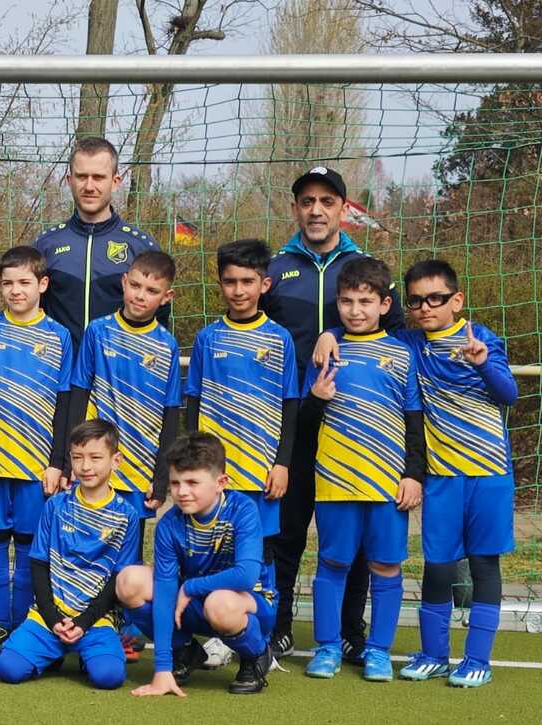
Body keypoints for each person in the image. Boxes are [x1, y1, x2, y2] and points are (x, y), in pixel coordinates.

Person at [314, 260, 517, 688]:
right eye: (418, 301)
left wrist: (482, 362)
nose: (426, 307)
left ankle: (478, 658)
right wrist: (328, 332)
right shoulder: (411, 344)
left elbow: (508, 394)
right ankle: (434, 654)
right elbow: (363, 329)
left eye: (436, 299)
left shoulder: (480, 339)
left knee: (483, 565)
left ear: (456, 300)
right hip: (441, 476)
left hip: (489, 473)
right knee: (438, 567)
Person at [262, 166, 404, 661]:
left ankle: (349, 628)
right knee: (287, 529)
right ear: (295, 207)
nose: (316, 210)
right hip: (296, 419)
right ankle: (278, 626)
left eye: (327, 201)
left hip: (359, 430)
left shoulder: (366, 265)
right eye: (307, 201)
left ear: (344, 208)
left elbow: (399, 337)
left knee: (357, 537)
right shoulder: (276, 270)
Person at [299, 257, 425, 682]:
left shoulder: (403, 354)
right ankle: (328, 647)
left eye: (365, 301)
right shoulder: (327, 352)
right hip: (334, 481)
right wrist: (316, 396)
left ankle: (378, 652)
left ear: (384, 304)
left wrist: (414, 474)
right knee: (332, 563)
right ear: (337, 303)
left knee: (386, 567)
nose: (356, 310)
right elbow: (304, 422)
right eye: (347, 301)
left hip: (388, 484)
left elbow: (414, 421)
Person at [184, 239, 298, 668]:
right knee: (215, 553)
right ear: (220, 284)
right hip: (216, 478)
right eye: (230, 281)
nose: (238, 289)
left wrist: (282, 462)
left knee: (260, 557)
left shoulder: (280, 338)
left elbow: (290, 404)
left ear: (264, 284)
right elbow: (193, 400)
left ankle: (260, 640)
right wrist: (194, 467)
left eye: (247, 281)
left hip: (260, 473)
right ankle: (219, 634)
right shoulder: (207, 338)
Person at [0, 246, 74, 656]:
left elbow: (65, 404)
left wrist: (57, 462)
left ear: (42, 285)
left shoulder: (59, 337)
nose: (15, 290)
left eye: (24, 282)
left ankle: (25, 619)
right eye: (8, 283)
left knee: (29, 542)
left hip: (36, 465)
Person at [117, 432, 273, 698]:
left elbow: (246, 576)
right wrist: (162, 668)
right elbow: (166, 592)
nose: (182, 492)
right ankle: (185, 652)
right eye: (176, 483)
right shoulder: (169, 524)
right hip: (191, 603)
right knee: (129, 581)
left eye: (192, 482)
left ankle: (256, 656)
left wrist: (191, 586)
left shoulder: (242, 510)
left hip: (248, 604)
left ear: (220, 482)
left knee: (219, 602)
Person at [0, 420, 141, 690]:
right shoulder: (56, 506)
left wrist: (84, 622)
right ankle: (51, 653)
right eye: (77, 458)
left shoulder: (126, 516)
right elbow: (39, 564)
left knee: (109, 677)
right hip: (49, 615)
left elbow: (119, 577)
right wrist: (52, 618)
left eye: (96, 458)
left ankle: (91, 653)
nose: (86, 467)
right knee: (9, 669)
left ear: (115, 460)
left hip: (95, 619)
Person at [65, 250, 182, 522]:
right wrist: (68, 460)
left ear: (167, 297)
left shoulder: (167, 345)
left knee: (129, 555)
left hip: (140, 469)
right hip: (94, 463)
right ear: (124, 281)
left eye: (152, 290)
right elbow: (79, 393)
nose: (140, 296)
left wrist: (161, 477)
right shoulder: (97, 331)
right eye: (136, 285)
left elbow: (171, 414)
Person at [32, 136, 164, 350]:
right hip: (60, 377)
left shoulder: (141, 246)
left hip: (117, 377)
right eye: (82, 176)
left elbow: (160, 321)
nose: (89, 186)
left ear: (115, 181)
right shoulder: (45, 244)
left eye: (98, 177)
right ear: (69, 180)